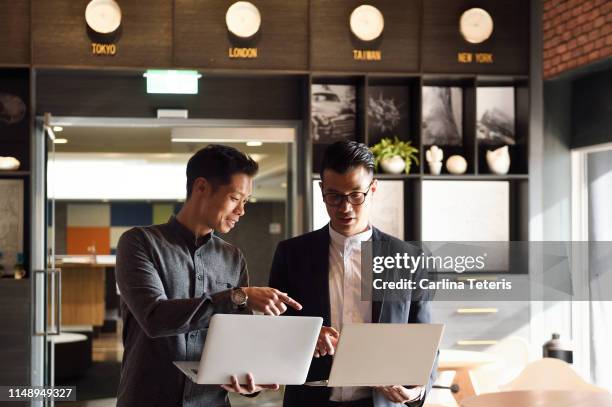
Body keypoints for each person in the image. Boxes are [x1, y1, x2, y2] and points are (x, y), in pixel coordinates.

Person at [115, 144, 302, 407]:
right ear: (201, 187)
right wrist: (239, 296)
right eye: (235, 198)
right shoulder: (139, 242)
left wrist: (251, 382)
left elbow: (239, 342)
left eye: (245, 201)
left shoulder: (233, 257)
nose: (242, 211)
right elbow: (154, 318)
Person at [269, 141, 436, 407]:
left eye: (356, 195)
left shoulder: (409, 258)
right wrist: (307, 336)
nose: (345, 208)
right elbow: (273, 330)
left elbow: (425, 338)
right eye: (334, 196)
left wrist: (416, 391)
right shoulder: (291, 254)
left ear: (373, 189)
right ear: (322, 190)